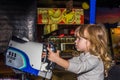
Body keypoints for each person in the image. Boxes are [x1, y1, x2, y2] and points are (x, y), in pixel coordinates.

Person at [46, 24, 112, 80]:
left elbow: (78, 68)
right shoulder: (82, 55)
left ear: (92, 41)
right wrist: (52, 58)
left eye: (79, 39)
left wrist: (57, 59)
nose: (75, 41)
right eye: (76, 38)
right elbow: (68, 65)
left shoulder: (95, 59)